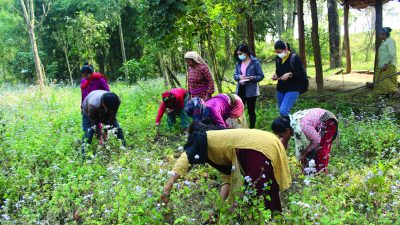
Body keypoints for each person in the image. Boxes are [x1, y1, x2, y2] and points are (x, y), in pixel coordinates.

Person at [161, 123, 291, 215]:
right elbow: (227, 179)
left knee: (255, 191)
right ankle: (274, 216)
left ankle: (255, 218)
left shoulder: (201, 139)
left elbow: (185, 158)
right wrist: (217, 208)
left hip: (255, 148)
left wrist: (167, 189)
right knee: (268, 186)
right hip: (266, 140)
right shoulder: (217, 142)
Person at [271, 108, 338, 174]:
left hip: (327, 120)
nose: (280, 137)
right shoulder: (289, 125)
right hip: (314, 121)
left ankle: (322, 173)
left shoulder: (302, 127)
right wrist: (277, 158)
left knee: (321, 148)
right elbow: (282, 144)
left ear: (287, 130)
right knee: (307, 150)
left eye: (280, 135)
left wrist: (305, 153)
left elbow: (317, 140)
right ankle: (308, 171)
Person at [81, 90, 125, 155]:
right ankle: (83, 156)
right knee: (89, 134)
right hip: (88, 112)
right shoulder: (93, 105)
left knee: (118, 129)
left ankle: (124, 150)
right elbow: (94, 123)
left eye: (112, 109)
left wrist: (106, 131)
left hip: (102, 109)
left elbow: (112, 117)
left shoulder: (117, 101)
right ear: (103, 104)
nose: (111, 110)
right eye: (109, 108)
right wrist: (100, 137)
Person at [272, 40, 307, 116]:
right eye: (277, 52)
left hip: (293, 88)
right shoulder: (278, 59)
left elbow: (301, 73)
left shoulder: (294, 58)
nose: (278, 54)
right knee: (282, 112)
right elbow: (278, 71)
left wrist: (290, 74)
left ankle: (290, 127)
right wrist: (275, 75)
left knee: (283, 111)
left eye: (280, 52)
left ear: (286, 49)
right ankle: (287, 127)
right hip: (280, 88)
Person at [233, 43, 264, 129]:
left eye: (240, 54)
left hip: (251, 90)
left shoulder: (255, 62)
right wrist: (239, 77)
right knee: (239, 109)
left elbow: (261, 76)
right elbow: (235, 75)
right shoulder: (238, 63)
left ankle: (252, 128)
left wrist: (252, 78)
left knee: (251, 110)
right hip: (241, 89)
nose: (239, 56)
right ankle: (241, 127)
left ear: (246, 52)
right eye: (238, 54)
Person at [374, 27, 398, 96]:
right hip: (382, 66)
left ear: (384, 34)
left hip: (388, 66)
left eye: (380, 34)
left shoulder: (390, 41)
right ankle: (386, 95)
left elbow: (392, 54)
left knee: (385, 81)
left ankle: (395, 92)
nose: (379, 36)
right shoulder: (385, 42)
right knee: (381, 81)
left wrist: (386, 64)